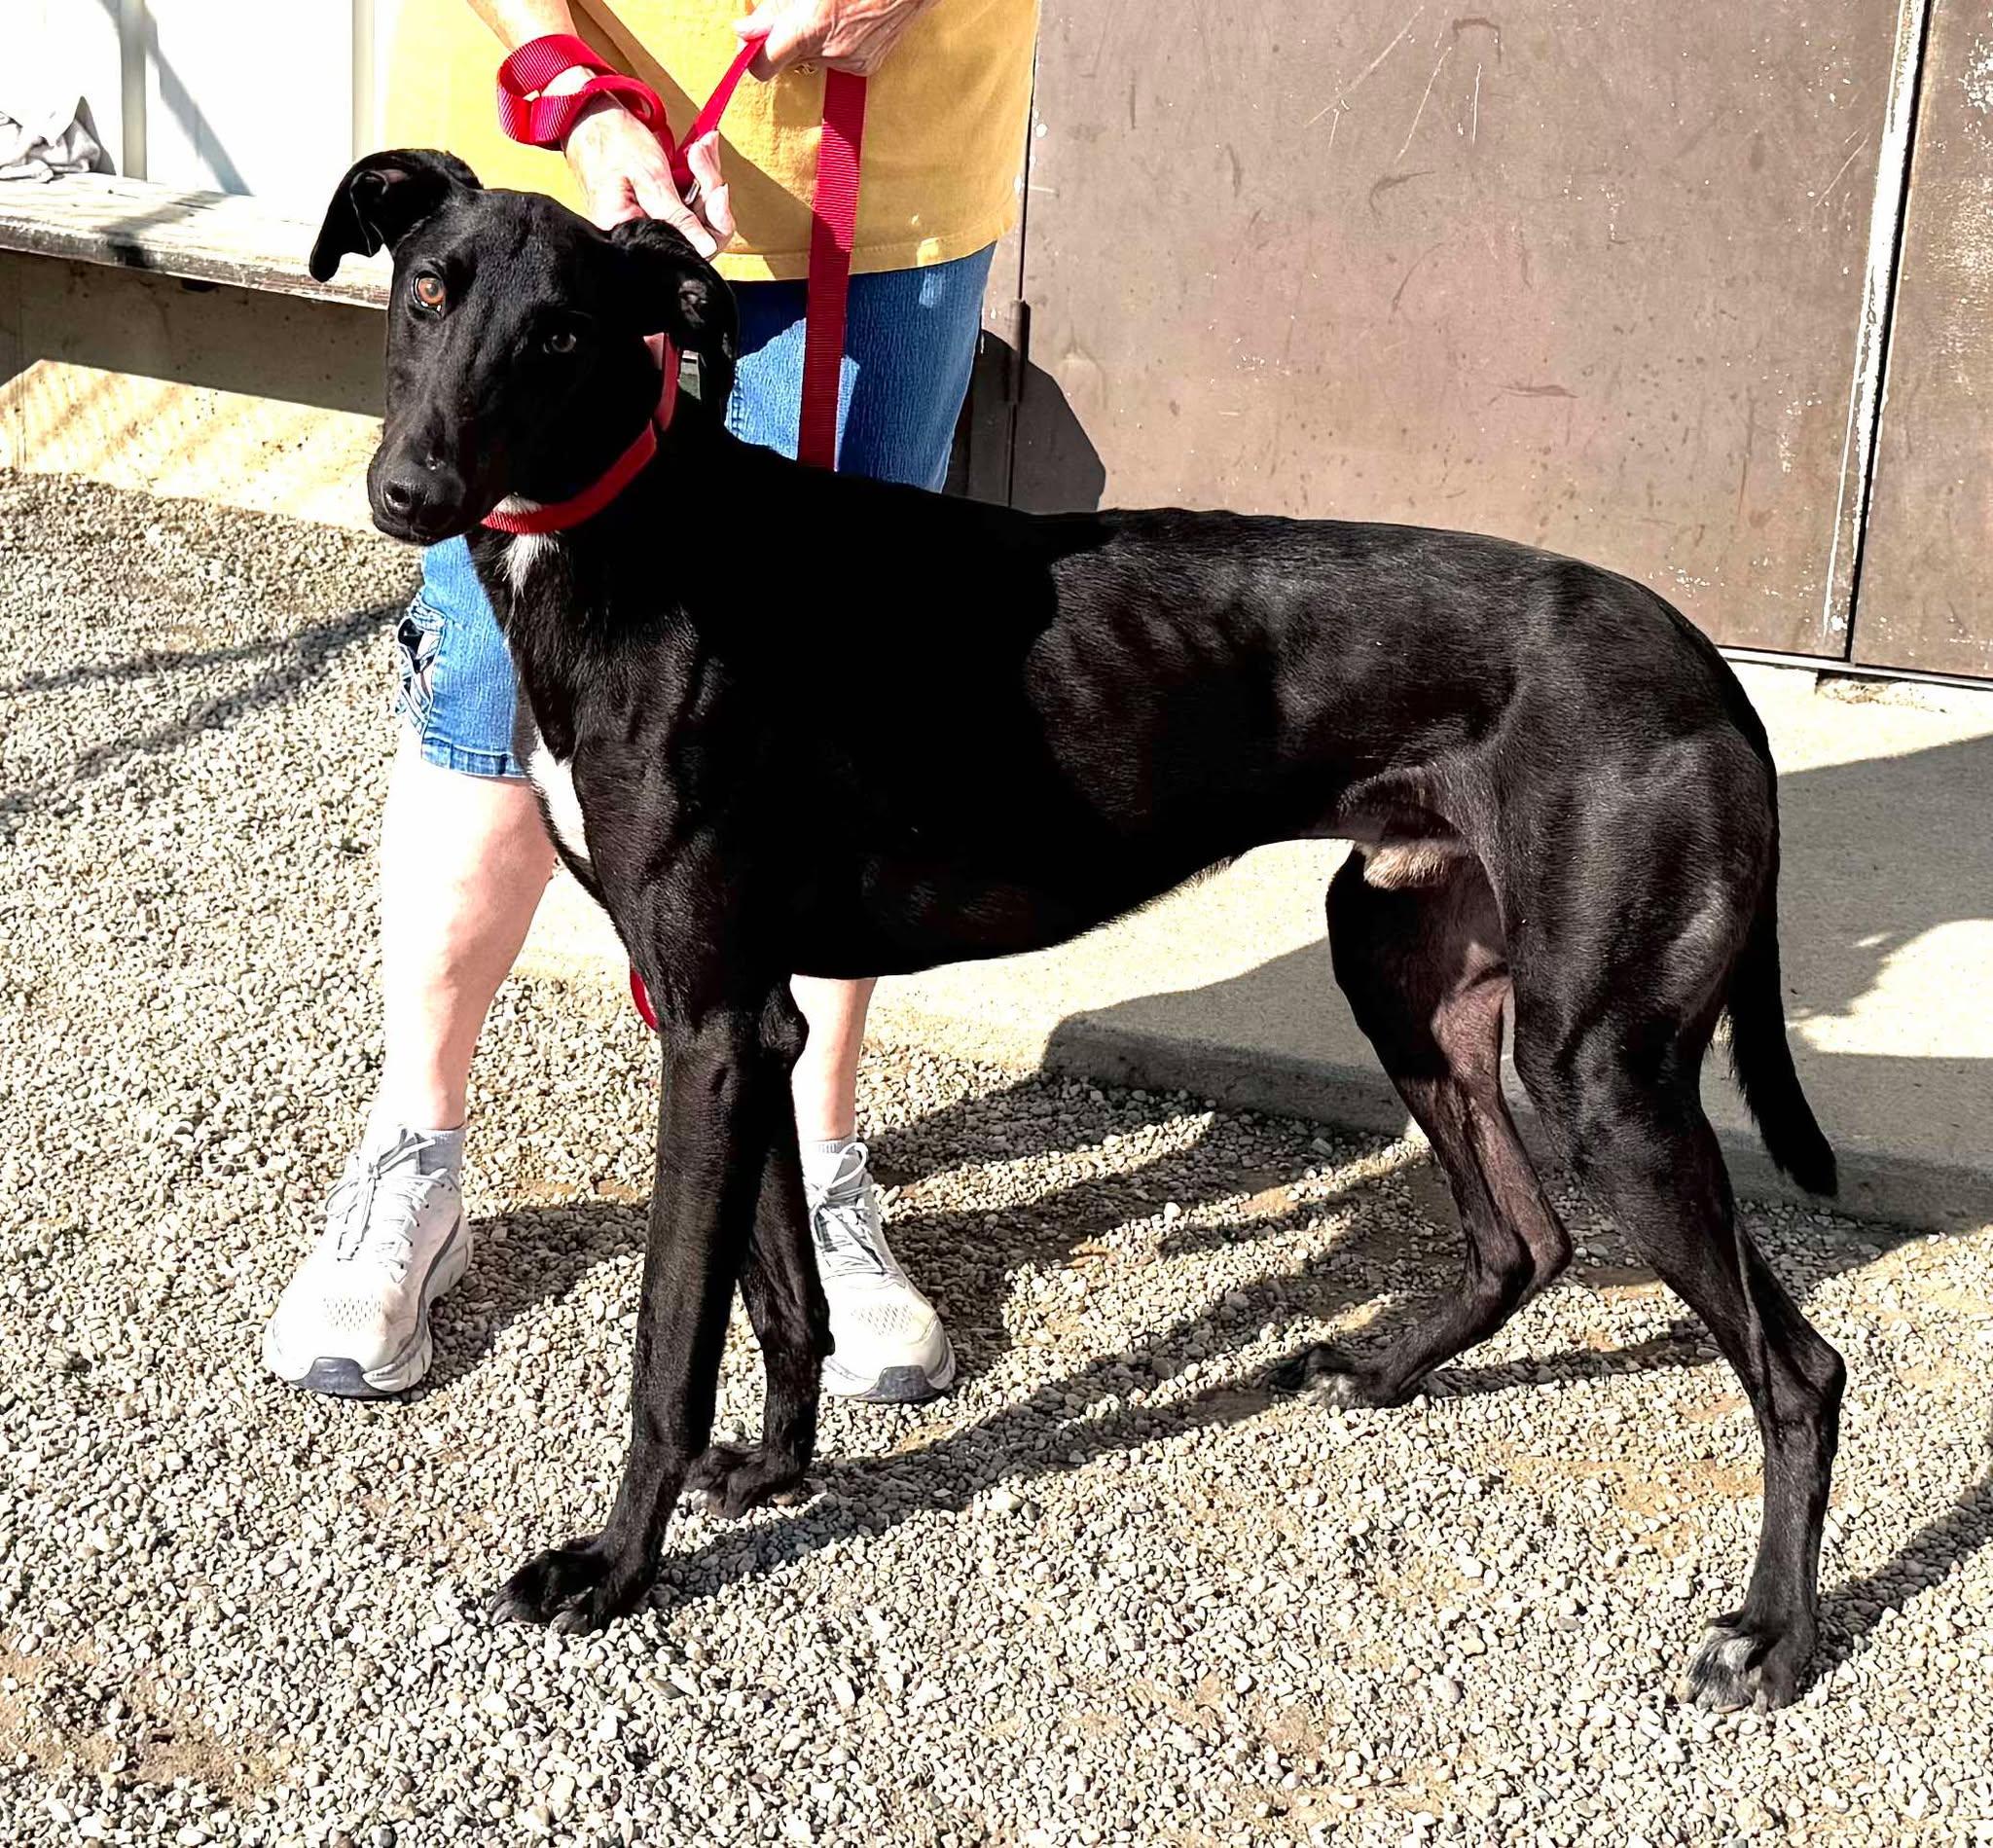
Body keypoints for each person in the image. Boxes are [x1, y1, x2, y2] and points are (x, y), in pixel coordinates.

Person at [264, 0, 1037, 1402]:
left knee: (831, 702)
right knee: (488, 695)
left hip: (884, 167)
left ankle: (816, 1162)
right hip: (546, 144)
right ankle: (415, 1160)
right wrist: (577, 90)